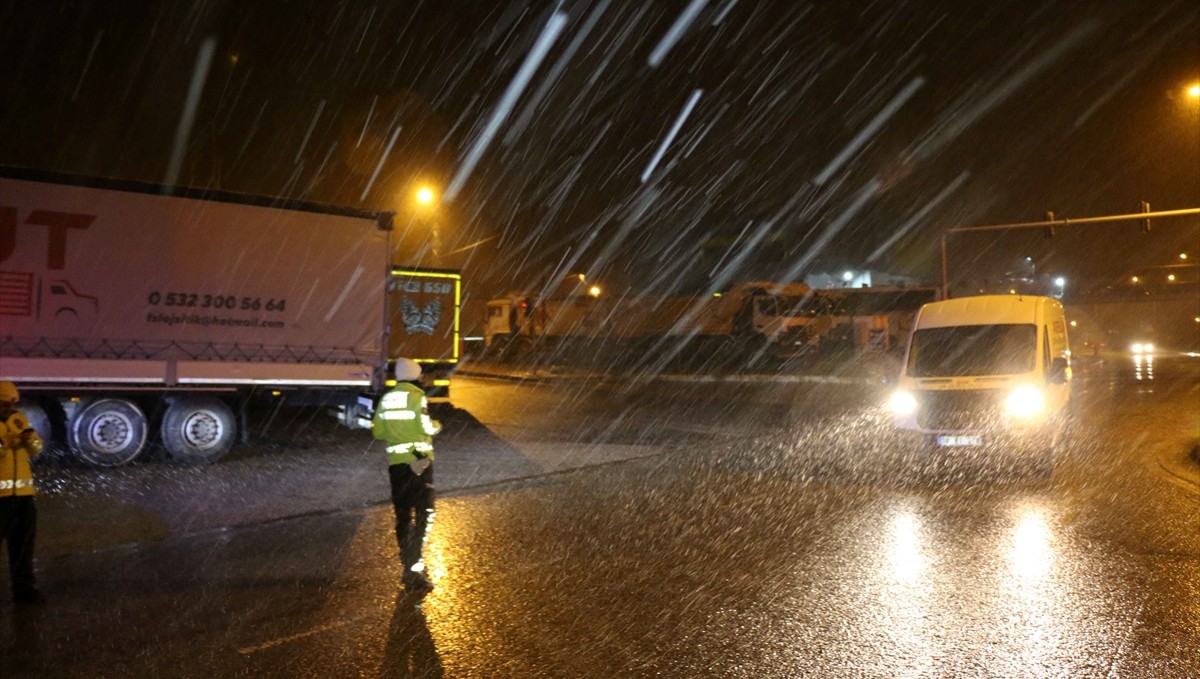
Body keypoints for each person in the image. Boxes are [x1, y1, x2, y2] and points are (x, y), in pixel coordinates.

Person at [372, 359, 441, 596]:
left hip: (397, 466)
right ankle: (415, 570)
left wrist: (397, 430)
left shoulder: (387, 399)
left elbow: (378, 431)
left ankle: (409, 564)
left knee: (403, 516)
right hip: (418, 463)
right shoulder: (417, 397)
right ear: (416, 376)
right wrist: (436, 426)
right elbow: (424, 427)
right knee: (425, 514)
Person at [0, 381, 46, 605]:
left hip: (23, 496)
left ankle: (25, 591)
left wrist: (32, 440)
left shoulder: (19, 419)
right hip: (1, 499)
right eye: (4, 405)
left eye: (12, 404)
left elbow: (37, 450)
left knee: (23, 548)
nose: (9, 409)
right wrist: (9, 441)